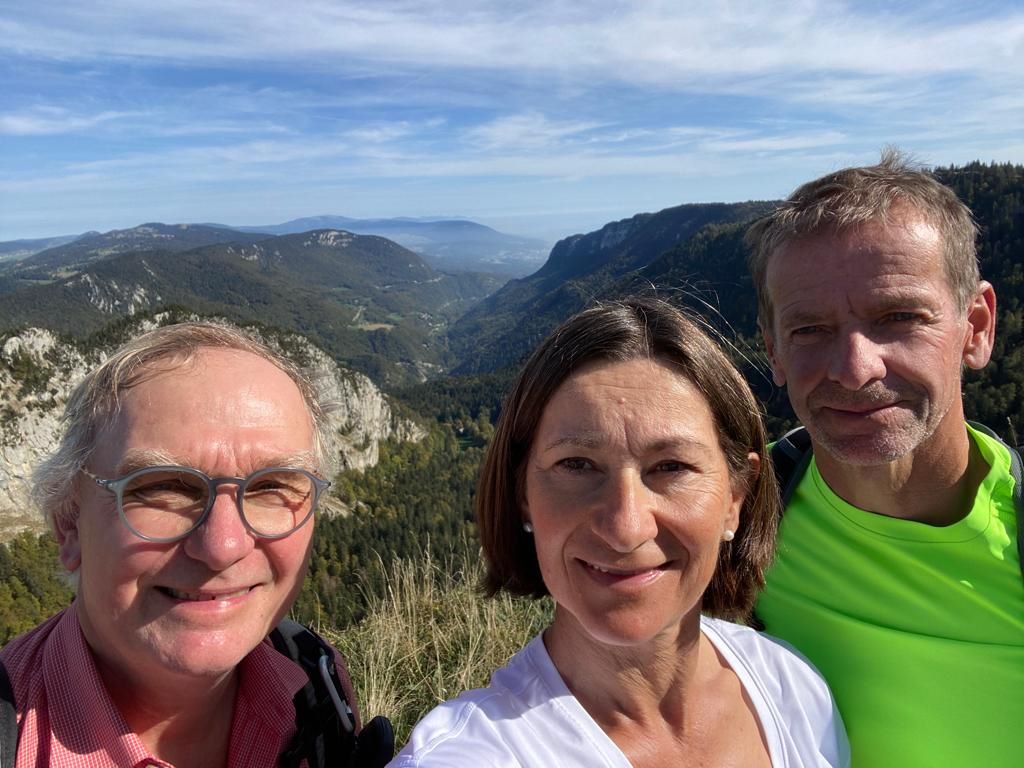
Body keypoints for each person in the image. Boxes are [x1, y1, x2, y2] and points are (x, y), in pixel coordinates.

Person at [392, 299, 849, 767]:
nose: (626, 528)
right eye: (577, 465)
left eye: (671, 467)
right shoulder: (467, 756)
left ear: (736, 497)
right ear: (522, 493)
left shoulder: (794, 692)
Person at [747, 150, 1024, 766]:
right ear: (775, 352)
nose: (854, 367)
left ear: (975, 328)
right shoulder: (728, 515)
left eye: (899, 317)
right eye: (810, 330)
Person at [0, 322, 366, 767]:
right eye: (165, 487)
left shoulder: (313, 682)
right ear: (69, 524)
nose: (223, 545)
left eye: (270, 486)